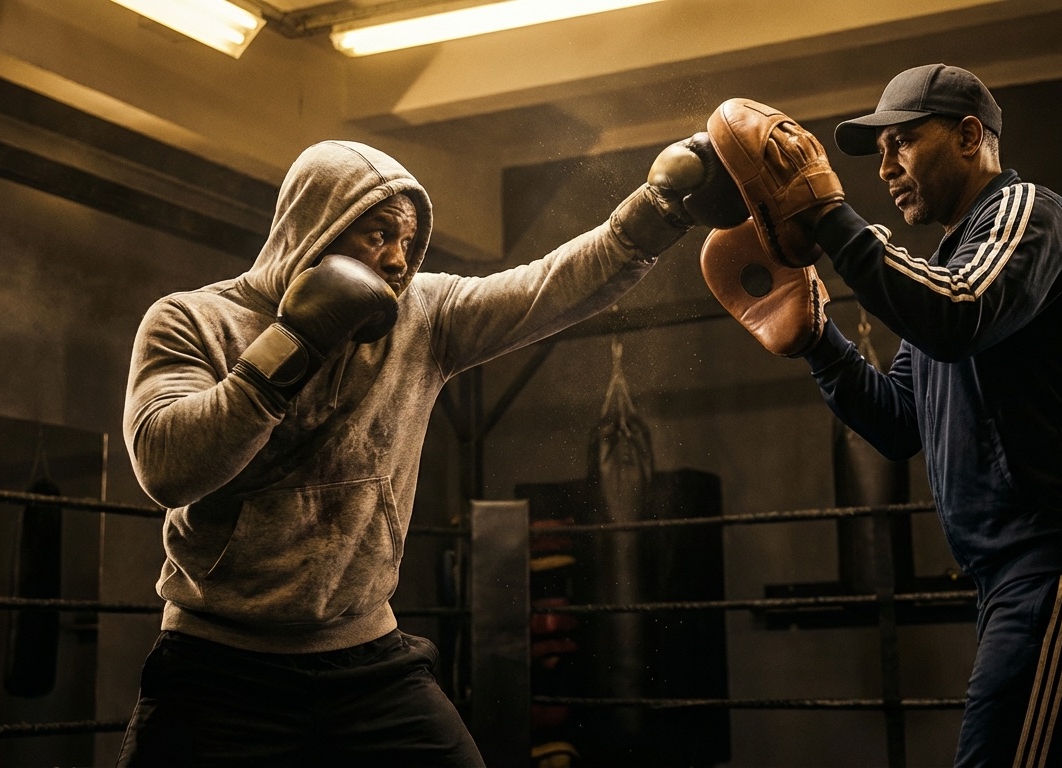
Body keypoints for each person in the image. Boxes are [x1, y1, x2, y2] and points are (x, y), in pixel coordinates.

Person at [117, 137, 722, 766]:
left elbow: (547, 286)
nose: (399, 261)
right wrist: (290, 344)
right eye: (379, 235)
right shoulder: (192, 320)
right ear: (318, 225)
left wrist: (661, 210)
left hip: (366, 662)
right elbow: (167, 468)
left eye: (408, 243)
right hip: (220, 664)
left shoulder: (422, 315)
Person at [700, 66, 1062, 767]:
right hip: (1023, 577)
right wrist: (820, 342)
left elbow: (956, 312)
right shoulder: (951, 268)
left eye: (902, 143)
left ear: (971, 136)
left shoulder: (1029, 215)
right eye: (877, 153)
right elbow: (898, 421)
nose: (884, 168)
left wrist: (825, 211)